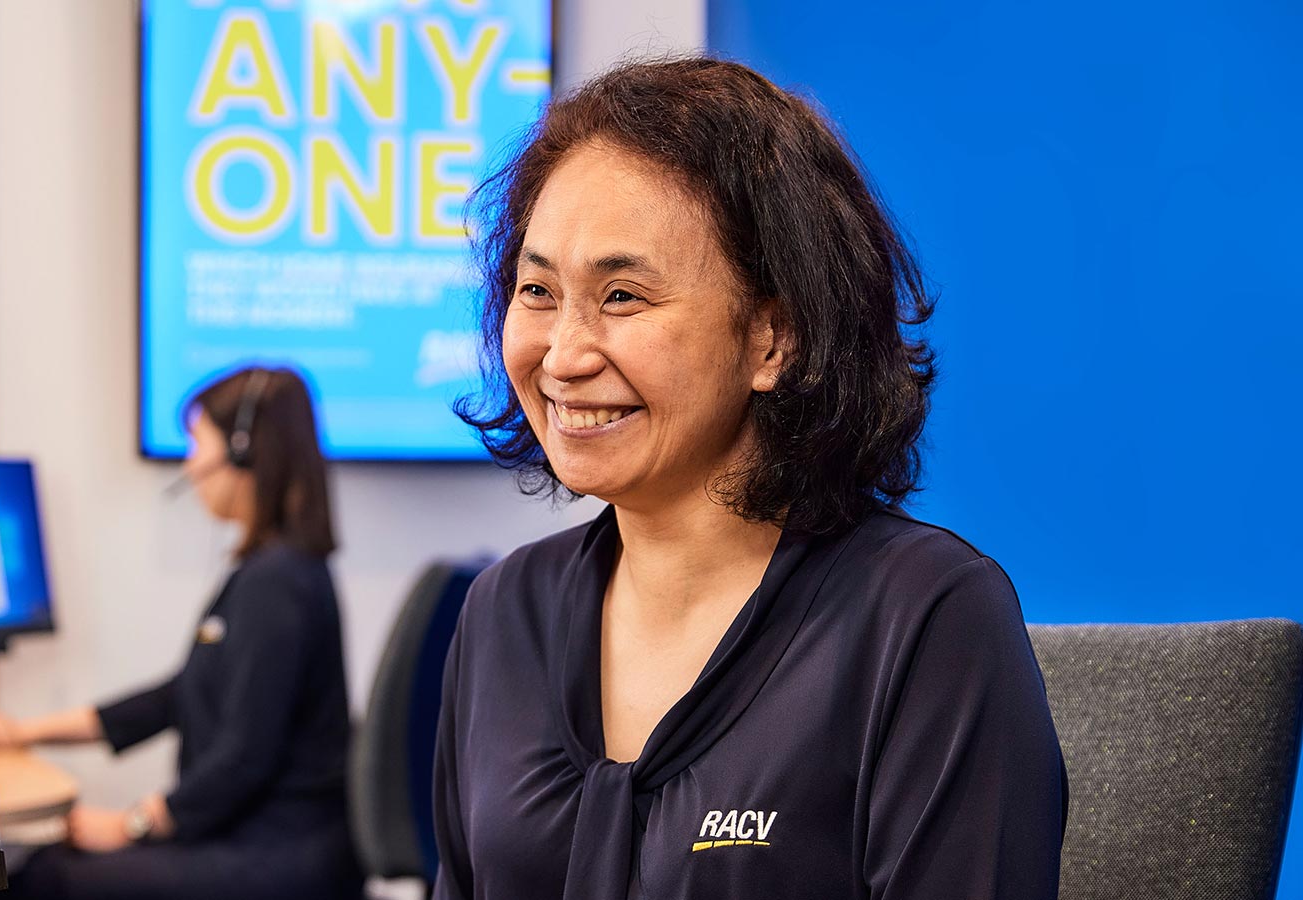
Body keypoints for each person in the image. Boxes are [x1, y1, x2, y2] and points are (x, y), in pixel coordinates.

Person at [433, 58, 1067, 900]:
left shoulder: (926, 618)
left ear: (774, 336)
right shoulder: (502, 613)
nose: (563, 353)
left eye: (621, 295)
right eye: (538, 290)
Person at [0, 366, 361, 900]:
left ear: (240, 452)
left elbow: (243, 757)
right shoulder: (271, 572)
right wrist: (25, 732)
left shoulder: (278, 585)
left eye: (194, 442)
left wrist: (132, 825)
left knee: (45, 877)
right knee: (42, 863)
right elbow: (177, 696)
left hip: (275, 854)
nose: (189, 462)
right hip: (253, 837)